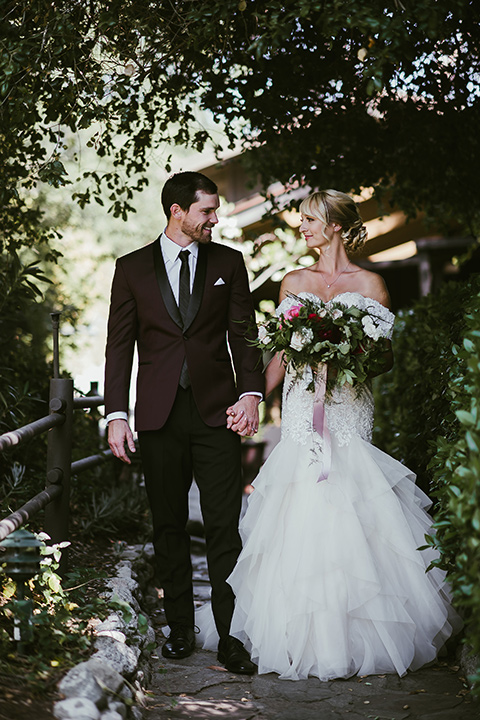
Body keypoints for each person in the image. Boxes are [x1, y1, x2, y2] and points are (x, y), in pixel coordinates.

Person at [201, 189, 461, 680]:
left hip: (346, 409)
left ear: (337, 225)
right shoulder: (293, 281)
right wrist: (252, 397)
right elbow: (278, 353)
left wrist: (345, 349)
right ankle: (292, 631)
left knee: (352, 501)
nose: (302, 227)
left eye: (309, 219)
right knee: (299, 505)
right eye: (301, 219)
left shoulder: (371, 285)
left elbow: (382, 360)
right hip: (302, 412)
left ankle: (355, 633)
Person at [104, 171, 264, 674]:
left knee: (224, 527)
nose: (215, 219)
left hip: (219, 413)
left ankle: (229, 635)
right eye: (207, 212)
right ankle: (179, 629)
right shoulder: (130, 268)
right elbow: (119, 346)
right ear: (178, 211)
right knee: (167, 524)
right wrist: (116, 415)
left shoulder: (229, 262)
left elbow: (245, 335)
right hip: (157, 416)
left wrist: (252, 394)